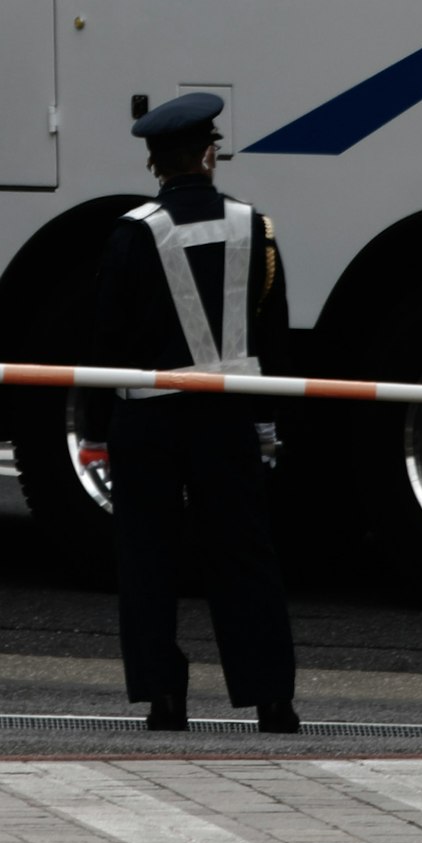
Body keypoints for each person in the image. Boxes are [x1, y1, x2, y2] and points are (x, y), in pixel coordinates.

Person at [88, 91, 299, 732]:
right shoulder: (252, 226)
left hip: (148, 420)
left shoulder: (131, 233)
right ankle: (272, 701)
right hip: (227, 418)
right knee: (243, 556)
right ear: (209, 153)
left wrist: (98, 431)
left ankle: (164, 698)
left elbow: (104, 341)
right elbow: (271, 337)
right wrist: (265, 422)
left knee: (148, 558)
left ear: (155, 163)